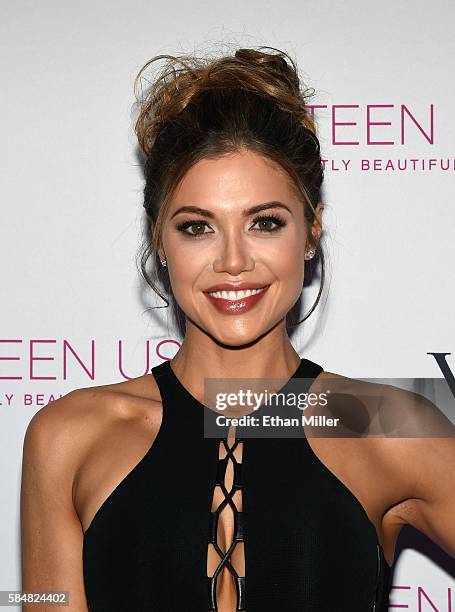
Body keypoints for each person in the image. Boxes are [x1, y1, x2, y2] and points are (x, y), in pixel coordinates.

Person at [20, 47, 455, 612]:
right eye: (198, 227)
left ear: (312, 229)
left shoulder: (389, 426)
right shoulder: (67, 437)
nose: (232, 261)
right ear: (160, 239)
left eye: (265, 223)